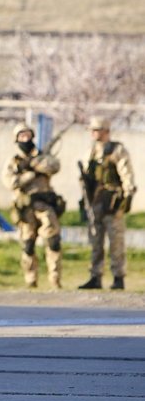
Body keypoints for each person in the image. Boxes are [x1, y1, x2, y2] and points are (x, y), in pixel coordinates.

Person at [2, 123, 62, 289]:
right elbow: (11, 182)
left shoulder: (41, 156)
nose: (26, 138)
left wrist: (33, 165)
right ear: (17, 139)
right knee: (28, 244)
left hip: (45, 206)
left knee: (53, 241)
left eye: (28, 135)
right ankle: (31, 279)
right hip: (25, 208)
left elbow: (54, 165)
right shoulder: (13, 161)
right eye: (22, 136)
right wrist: (29, 175)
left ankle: (55, 279)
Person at [78, 117, 136, 290]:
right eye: (92, 130)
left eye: (97, 130)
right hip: (95, 201)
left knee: (116, 241)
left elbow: (127, 176)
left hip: (112, 201)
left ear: (106, 131)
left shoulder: (117, 150)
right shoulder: (90, 152)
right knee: (96, 240)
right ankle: (95, 276)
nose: (93, 133)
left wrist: (126, 197)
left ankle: (118, 277)